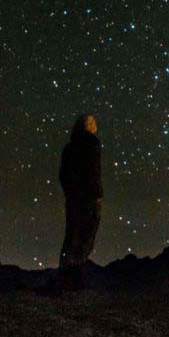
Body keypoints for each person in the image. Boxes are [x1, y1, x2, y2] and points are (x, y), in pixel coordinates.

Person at [58, 113, 103, 289]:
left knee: (72, 233)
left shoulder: (69, 148)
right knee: (87, 233)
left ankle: (65, 273)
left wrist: (69, 193)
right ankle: (77, 272)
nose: (96, 125)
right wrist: (97, 194)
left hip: (73, 198)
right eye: (93, 122)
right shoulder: (92, 143)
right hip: (89, 196)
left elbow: (63, 174)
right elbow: (94, 170)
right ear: (88, 126)